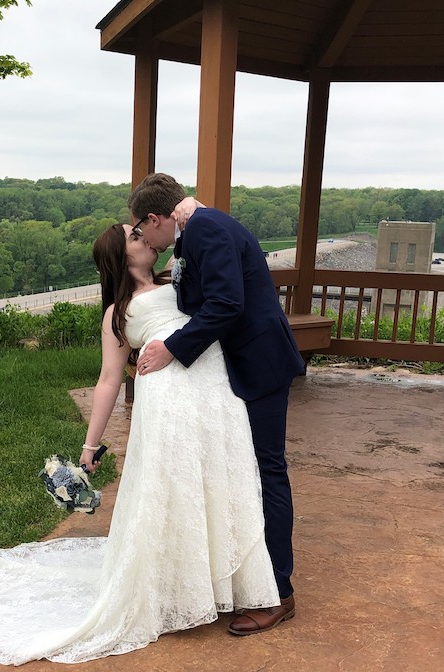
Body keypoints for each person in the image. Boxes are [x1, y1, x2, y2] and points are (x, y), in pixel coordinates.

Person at [0, 223, 279, 665]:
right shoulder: (116, 313)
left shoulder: (180, 279)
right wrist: (90, 447)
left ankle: (230, 582)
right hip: (168, 399)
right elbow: (110, 378)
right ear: (121, 256)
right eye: (135, 237)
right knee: (175, 487)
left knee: (224, 479)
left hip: (214, 388)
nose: (146, 239)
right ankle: (177, 587)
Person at [129, 173, 305, 635]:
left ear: (156, 217)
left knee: (267, 472)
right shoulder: (198, 233)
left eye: (143, 230)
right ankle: (248, 580)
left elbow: (227, 303)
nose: (146, 240)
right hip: (242, 368)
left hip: (261, 365)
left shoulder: (207, 229)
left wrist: (171, 348)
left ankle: (279, 594)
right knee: (247, 472)